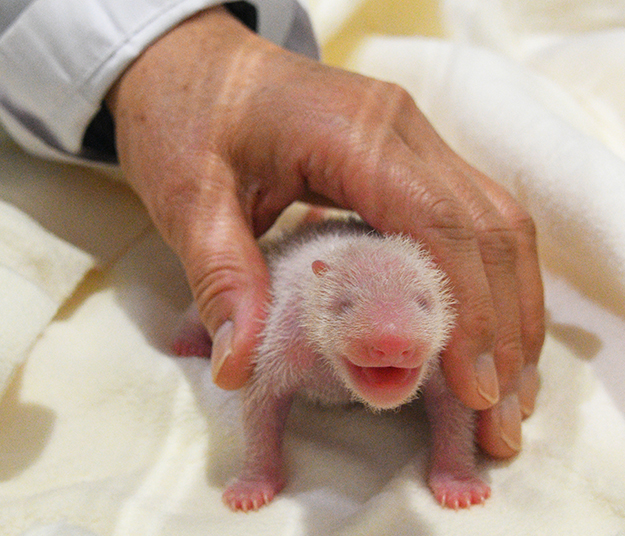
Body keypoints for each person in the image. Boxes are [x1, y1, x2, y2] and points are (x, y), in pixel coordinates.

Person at [0, 0, 544, 459]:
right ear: (319, 291)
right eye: (342, 306)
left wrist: (455, 466)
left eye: (427, 306)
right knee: (254, 276)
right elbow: (265, 389)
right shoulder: (295, 317)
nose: (393, 343)